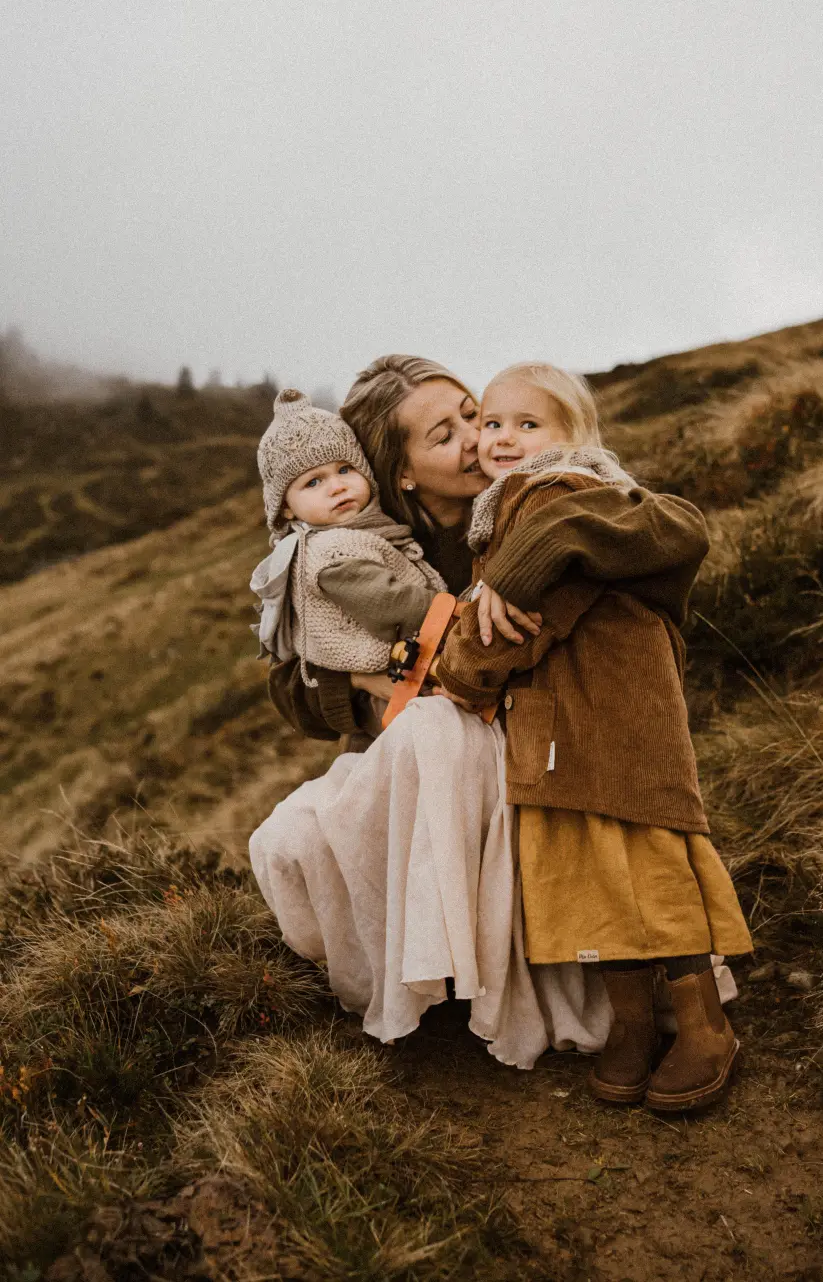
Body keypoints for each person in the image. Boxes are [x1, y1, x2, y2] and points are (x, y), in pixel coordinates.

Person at [250, 355, 738, 1071]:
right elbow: (295, 685)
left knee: (454, 748)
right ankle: (442, 972)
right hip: (437, 725)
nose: (478, 437)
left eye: (473, 414)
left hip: (545, 725)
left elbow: (667, 525)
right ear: (405, 470)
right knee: (300, 828)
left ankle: (580, 990)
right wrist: (371, 681)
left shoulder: (535, 493)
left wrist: (511, 577)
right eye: (445, 434)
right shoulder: (365, 539)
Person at [435, 361, 753, 1110]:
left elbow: (519, 623)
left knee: (647, 865)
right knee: (590, 875)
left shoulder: (559, 493)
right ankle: (634, 1027)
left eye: (528, 423)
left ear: (573, 437)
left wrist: (463, 673)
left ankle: (705, 1026)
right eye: (491, 422)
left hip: (612, 719)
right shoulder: (509, 510)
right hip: (569, 726)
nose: (502, 437)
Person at [250, 388, 445, 733]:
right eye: (313, 482)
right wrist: (452, 609)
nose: (337, 486)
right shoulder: (328, 552)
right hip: (385, 690)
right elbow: (388, 602)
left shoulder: (370, 532)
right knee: (438, 739)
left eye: (345, 469)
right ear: (286, 507)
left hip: (408, 668)